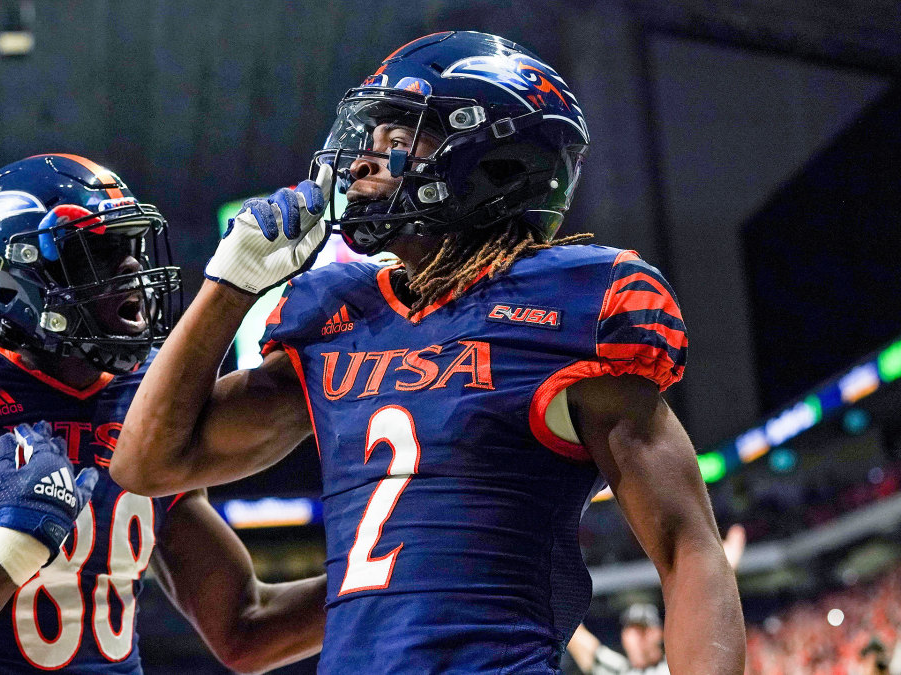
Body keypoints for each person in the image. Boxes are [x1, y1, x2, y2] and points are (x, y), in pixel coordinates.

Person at [111, 31, 744, 674]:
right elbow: (145, 463)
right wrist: (229, 287)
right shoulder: (337, 310)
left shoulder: (577, 303)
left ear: (494, 159)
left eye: (397, 141)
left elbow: (688, 550)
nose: (361, 164)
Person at [0, 154, 325, 674]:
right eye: (96, 253)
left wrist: (395, 577)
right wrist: (14, 549)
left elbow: (246, 628)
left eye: (129, 247)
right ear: (12, 280)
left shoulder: (150, 399)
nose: (133, 268)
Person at [567, 525, 746, 674]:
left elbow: (707, 627)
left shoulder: (675, 667)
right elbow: (578, 638)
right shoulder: (621, 671)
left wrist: (726, 573)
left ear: (658, 634)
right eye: (632, 630)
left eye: (642, 630)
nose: (635, 637)